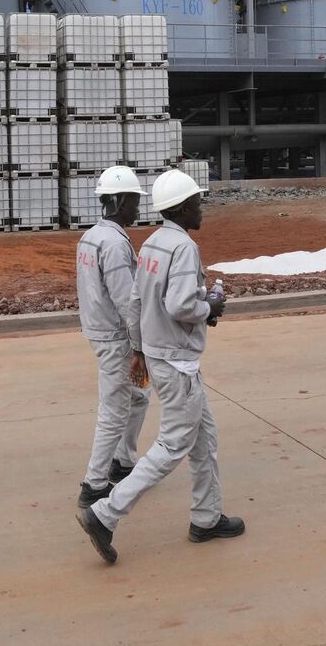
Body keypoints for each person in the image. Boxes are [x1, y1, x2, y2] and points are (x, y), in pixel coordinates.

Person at [77, 169, 242, 565]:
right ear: (183, 208)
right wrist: (210, 307)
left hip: (161, 355)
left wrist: (138, 348)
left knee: (205, 440)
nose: (202, 208)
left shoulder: (151, 244)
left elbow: (135, 303)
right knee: (171, 446)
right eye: (198, 202)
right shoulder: (183, 247)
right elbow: (181, 305)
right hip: (177, 363)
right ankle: (105, 512)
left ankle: (206, 518)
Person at [75, 167, 153, 511]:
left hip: (99, 329)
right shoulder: (115, 245)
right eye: (135, 201)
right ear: (119, 200)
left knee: (138, 397)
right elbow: (126, 301)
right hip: (115, 338)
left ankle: (122, 461)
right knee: (114, 409)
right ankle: (94, 483)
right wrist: (139, 346)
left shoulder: (90, 237)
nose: (138, 209)